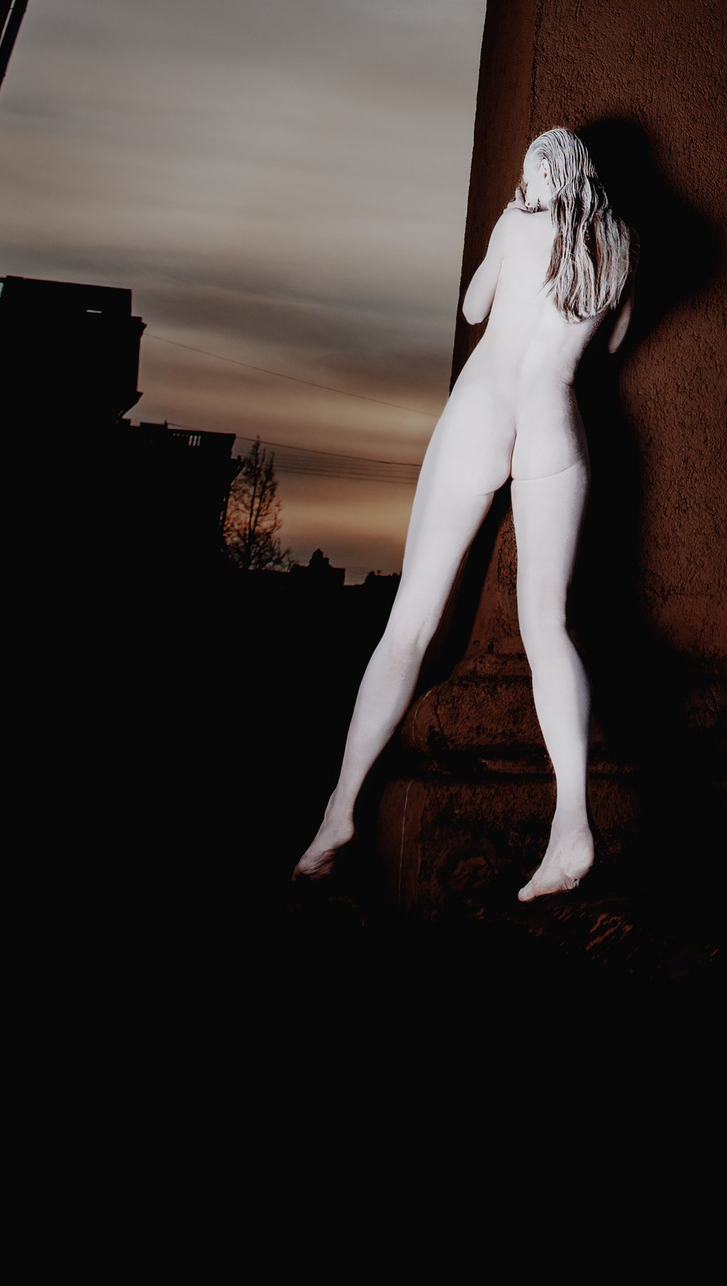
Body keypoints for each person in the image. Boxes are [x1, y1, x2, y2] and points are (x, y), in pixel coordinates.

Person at [295, 127, 631, 899]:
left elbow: (473, 304)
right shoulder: (621, 243)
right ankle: (572, 824)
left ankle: (339, 813)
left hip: (484, 410)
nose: (524, 182)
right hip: (556, 419)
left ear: (546, 173)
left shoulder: (516, 223)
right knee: (548, 626)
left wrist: (513, 220)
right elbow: (612, 342)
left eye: (528, 172)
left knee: (410, 625)